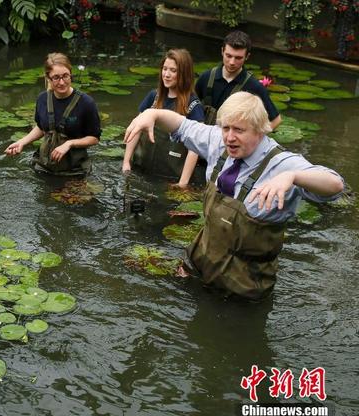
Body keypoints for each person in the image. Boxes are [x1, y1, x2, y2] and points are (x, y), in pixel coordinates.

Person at [124, 91, 344, 300]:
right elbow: (182, 125)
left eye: (239, 130)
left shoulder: (281, 163)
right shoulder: (218, 142)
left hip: (244, 287)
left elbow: (335, 185)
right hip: (200, 265)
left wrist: (293, 176)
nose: (229, 137)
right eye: (225, 128)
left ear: (260, 130)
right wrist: (152, 114)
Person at [4, 52, 101, 176]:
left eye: (65, 76)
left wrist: (69, 144)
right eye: (56, 78)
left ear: (71, 75)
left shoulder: (86, 103)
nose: (61, 82)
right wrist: (22, 142)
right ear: (48, 78)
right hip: (43, 167)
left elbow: (94, 138)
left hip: (75, 171)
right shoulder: (42, 99)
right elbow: (41, 127)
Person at [123, 48, 205, 187]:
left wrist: (183, 182)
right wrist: (126, 162)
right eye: (164, 69)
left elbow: (195, 147)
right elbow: (136, 128)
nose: (166, 75)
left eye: (173, 71)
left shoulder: (193, 105)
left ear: (184, 74)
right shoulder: (153, 97)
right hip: (143, 169)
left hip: (170, 176)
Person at [195, 30, 282, 130]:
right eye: (228, 56)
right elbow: (189, 105)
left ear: (247, 57)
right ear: (222, 51)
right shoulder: (206, 77)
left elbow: (276, 120)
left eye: (238, 58)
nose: (232, 62)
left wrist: (253, 140)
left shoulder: (254, 86)